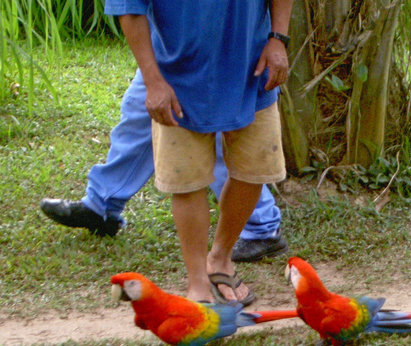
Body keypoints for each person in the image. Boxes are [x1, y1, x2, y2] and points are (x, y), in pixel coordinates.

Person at [105, 0, 293, 305]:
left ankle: (220, 259)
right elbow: (128, 6)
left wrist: (278, 38)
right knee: (187, 180)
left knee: (256, 169)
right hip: (177, 78)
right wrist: (153, 82)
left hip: (252, 66)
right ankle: (197, 282)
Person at [39, 68, 288, 263]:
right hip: (169, 34)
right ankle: (101, 205)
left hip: (215, 31)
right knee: (141, 108)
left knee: (212, 130)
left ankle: (261, 227)